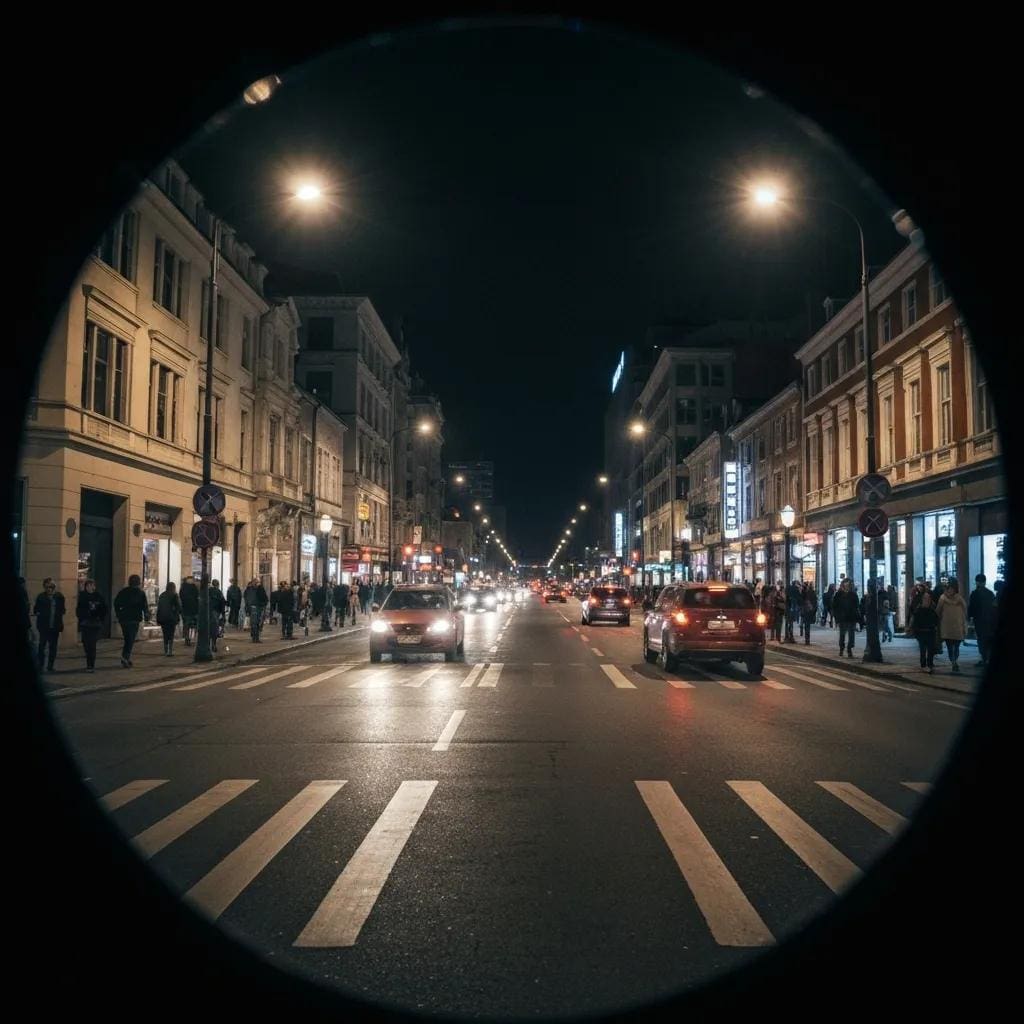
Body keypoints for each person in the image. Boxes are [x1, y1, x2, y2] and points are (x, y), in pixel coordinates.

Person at [114, 574, 150, 668]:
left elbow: (116, 603)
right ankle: (125, 657)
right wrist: (146, 616)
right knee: (130, 639)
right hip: (134, 619)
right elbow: (144, 606)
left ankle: (126, 657)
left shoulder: (123, 592)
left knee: (128, 638)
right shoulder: (140, 593)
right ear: (138, 582)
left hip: (124, 619)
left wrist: (119, 614)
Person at [33, 578, 67, 673]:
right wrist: (39, 613)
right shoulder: (41, 597)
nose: (50, 589)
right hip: (43, 626)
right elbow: (36, 609)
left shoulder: (59, 596)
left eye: (51, 587)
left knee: (53, 646)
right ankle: (40, 665)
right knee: (42, 646)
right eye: (47, 587)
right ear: (44, 587)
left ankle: (50, 666)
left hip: (55, 626)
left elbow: (63, 610)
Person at [936, 579, 968, 673]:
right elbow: (965, 611)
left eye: (951, 589)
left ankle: (954, 662)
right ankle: (954, 662)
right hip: (952, 626)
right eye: (949, 588)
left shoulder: (943, 598)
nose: (950, 590)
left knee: (954, 646)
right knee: (951, 646)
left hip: (951, 626)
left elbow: (938, 611)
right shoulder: (960, 599)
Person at [76, 579, 106, 673]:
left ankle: (90, 665)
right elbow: (79, 609)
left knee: (92, 644)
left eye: (91, 585)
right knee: (85, 643)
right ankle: (89, 658)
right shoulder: (83, 596)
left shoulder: (98, 596)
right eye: (88, 586)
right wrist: (82, 617)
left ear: (94, 586)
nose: (90, 587)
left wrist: (100, 617)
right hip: (85, 623)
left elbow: (104, 609)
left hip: (95, 624)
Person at [967, 573, 996, 666]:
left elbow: (971, 608)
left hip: (979, 620)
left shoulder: (975, 594)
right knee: (987, 639)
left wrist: (969, 618)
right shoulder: (990, 593)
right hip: (989, 621)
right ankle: (987, 658)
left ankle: (984, 658)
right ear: (985, 582)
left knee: (981, 639)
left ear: (977, 582)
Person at [909, 590, 940, 673]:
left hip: (930, 632)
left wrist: (934, 627)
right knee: (922, 650)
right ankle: (923, 665)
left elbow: (936, 620)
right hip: (921, 633)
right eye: (925, 598)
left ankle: (930, 664)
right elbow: (915, 621)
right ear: (922, 599)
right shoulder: (918, 610)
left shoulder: (932, 609)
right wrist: (916, 632)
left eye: (928, 598)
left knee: (930, 650)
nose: (927, 600)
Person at [832, 578, 860, 657]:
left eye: (849, 584)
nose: (847, 586)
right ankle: (841, 648)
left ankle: (849, 649)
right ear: (843, 584)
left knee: (851, 635)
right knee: (842, 634)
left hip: (851, 618)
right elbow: (834, 606)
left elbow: (857, 606)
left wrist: (857, 618)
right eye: (846, 584)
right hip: (842, 618)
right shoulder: (838, 594)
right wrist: (836, 617)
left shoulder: (853, 594)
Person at [156, 581, 182, 656]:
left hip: (163, 617)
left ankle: (165, 650)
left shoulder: (162, 595)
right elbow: (179, 607)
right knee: (171, 634)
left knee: (165, 634)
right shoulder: (175, 595)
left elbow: (159, 608)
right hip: (171, 618)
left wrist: (158, 618)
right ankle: (170, 651)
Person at [243, 577, 269, 642]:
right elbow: (264, 598)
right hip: (257, 608)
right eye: (257, 582)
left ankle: (254, 637)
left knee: (254, 623)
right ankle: (255, 638)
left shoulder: (248, 590)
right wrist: (263, 604)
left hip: (253, 608)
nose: (257, 584)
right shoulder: (258, 589)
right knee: (256, 623)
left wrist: (247, 609)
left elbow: (246, 600)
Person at [180, 576, 199, 645]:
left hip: (186, 609)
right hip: (193, 609)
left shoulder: (183, 588)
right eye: (192, 580)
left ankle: (187, 638)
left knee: (187, 625)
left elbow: (181, 598)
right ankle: (191, 638)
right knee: (194, 624)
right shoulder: (194, 588)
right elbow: (197, 597)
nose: (193, 581)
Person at [209, 578, 226, 652]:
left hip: (208, 612)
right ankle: (213, 644)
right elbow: (222, 602)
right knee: (215, 629)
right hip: (216, 611)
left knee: (208, 629)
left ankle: (209, 645)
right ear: (218, 585)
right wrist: (223, 613)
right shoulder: (219, 592)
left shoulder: (208, 591)